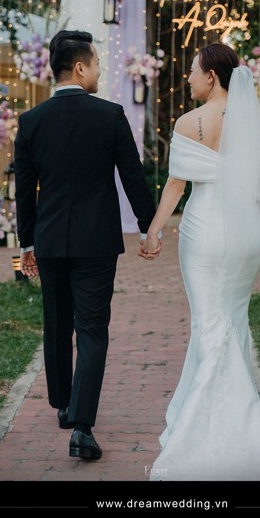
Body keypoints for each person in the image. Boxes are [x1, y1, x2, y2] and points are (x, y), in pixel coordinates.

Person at [139, 43, 260, 480]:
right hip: (247, 234)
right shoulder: (258, 123)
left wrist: (153, 230)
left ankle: (201, 428)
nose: (189, 78)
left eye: (193, 71)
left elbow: (176, 185)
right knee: (232, 320)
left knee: (209, 322)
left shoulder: (189, 122)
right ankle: (234, 417)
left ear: (211, 76)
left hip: (204, 232)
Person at [14, 29, 161, 461]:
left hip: (49, 239)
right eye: (96, 64)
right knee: (93, 329)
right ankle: (81, 426)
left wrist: (26, 242)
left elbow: (24, 191)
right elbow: (132, 177)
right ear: (80, 68)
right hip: (96, 241)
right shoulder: (110, 115)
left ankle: (63, 405)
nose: (99, 71)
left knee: (57, 323)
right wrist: (149, 228)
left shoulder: (31, 121)